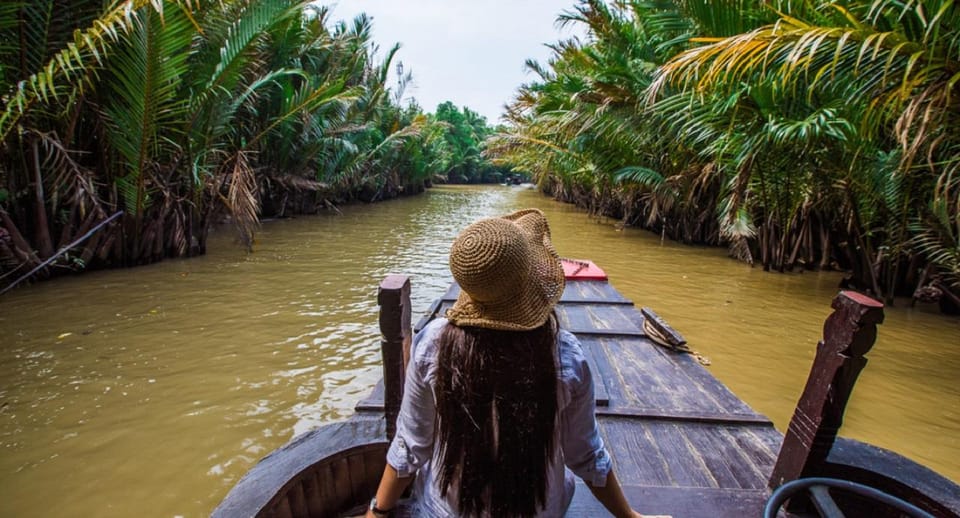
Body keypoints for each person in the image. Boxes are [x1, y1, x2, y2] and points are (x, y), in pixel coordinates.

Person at [365, 209, 669, 518]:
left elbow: (411, 446)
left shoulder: (432, 343)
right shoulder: (564, 354)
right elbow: (586, 456)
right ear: (531, 279)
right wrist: (630, 517)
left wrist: (377, 512)